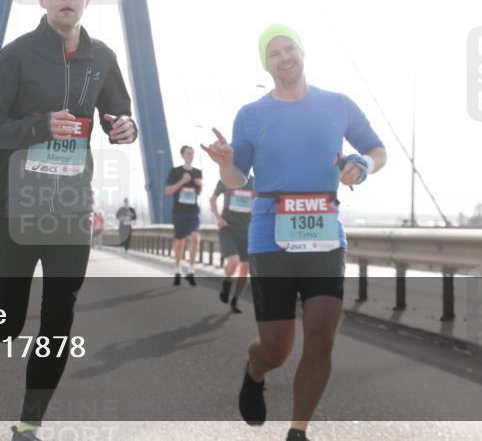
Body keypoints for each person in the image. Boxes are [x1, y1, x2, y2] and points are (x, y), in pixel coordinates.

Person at [0, 0, 138, 441]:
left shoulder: (103, 58)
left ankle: (29, 424)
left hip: (71, 212)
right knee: (10, 318)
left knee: (58, 322)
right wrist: (39, 126)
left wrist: (125, 128)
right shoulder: (17, 54)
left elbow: (121, 115)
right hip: (16, 210)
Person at [201, 24, 387, 441]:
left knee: (320, 336)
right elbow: (235, 179)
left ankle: (298, 431)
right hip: (270, 236)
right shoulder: (251, 114)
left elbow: (378, 150)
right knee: (277, 348)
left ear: (302, 53)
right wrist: (226, 163)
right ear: (265, 64)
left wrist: (364, 164)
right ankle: (255, 370)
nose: (284, 57)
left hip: (325, 234)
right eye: (274, 53)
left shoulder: (338, 104)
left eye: (289, 49)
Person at [210, 174, 256, 312]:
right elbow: (212, 198)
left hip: (247, 230)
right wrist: (218, 218)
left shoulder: (255, 182)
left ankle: (235, 300)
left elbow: (261, 201)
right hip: (228, 228)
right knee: (234, 261)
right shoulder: (226, 178)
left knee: (245, 270)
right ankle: (227, 280)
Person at [164, 145, 203, 285]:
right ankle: (177, 269)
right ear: (182, 155)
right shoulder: (175, 172)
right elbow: (168, 191)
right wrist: (182, 181)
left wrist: (200, 185)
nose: (190, 156)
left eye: (192, 153)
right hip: (179, 213)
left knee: (195, 238)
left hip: (193, 212)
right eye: (188, 153)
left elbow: (198, 193)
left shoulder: (198, 172)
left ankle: (191, 270)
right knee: (180, 243)